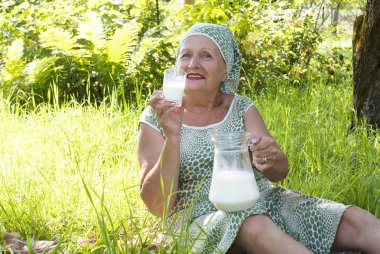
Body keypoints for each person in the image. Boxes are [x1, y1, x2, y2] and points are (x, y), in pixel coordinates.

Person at [137, 22, 380, 254]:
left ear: (226, 69)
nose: (193, 64)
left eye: (206, 55)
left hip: (261, 200)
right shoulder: (156, 117)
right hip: (197, 219)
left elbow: (278, 172)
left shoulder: (241, 107)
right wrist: (172, 136)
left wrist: (271, 157)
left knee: (353, 220)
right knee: (253, 225)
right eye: (185, 55)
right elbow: (158, 206)